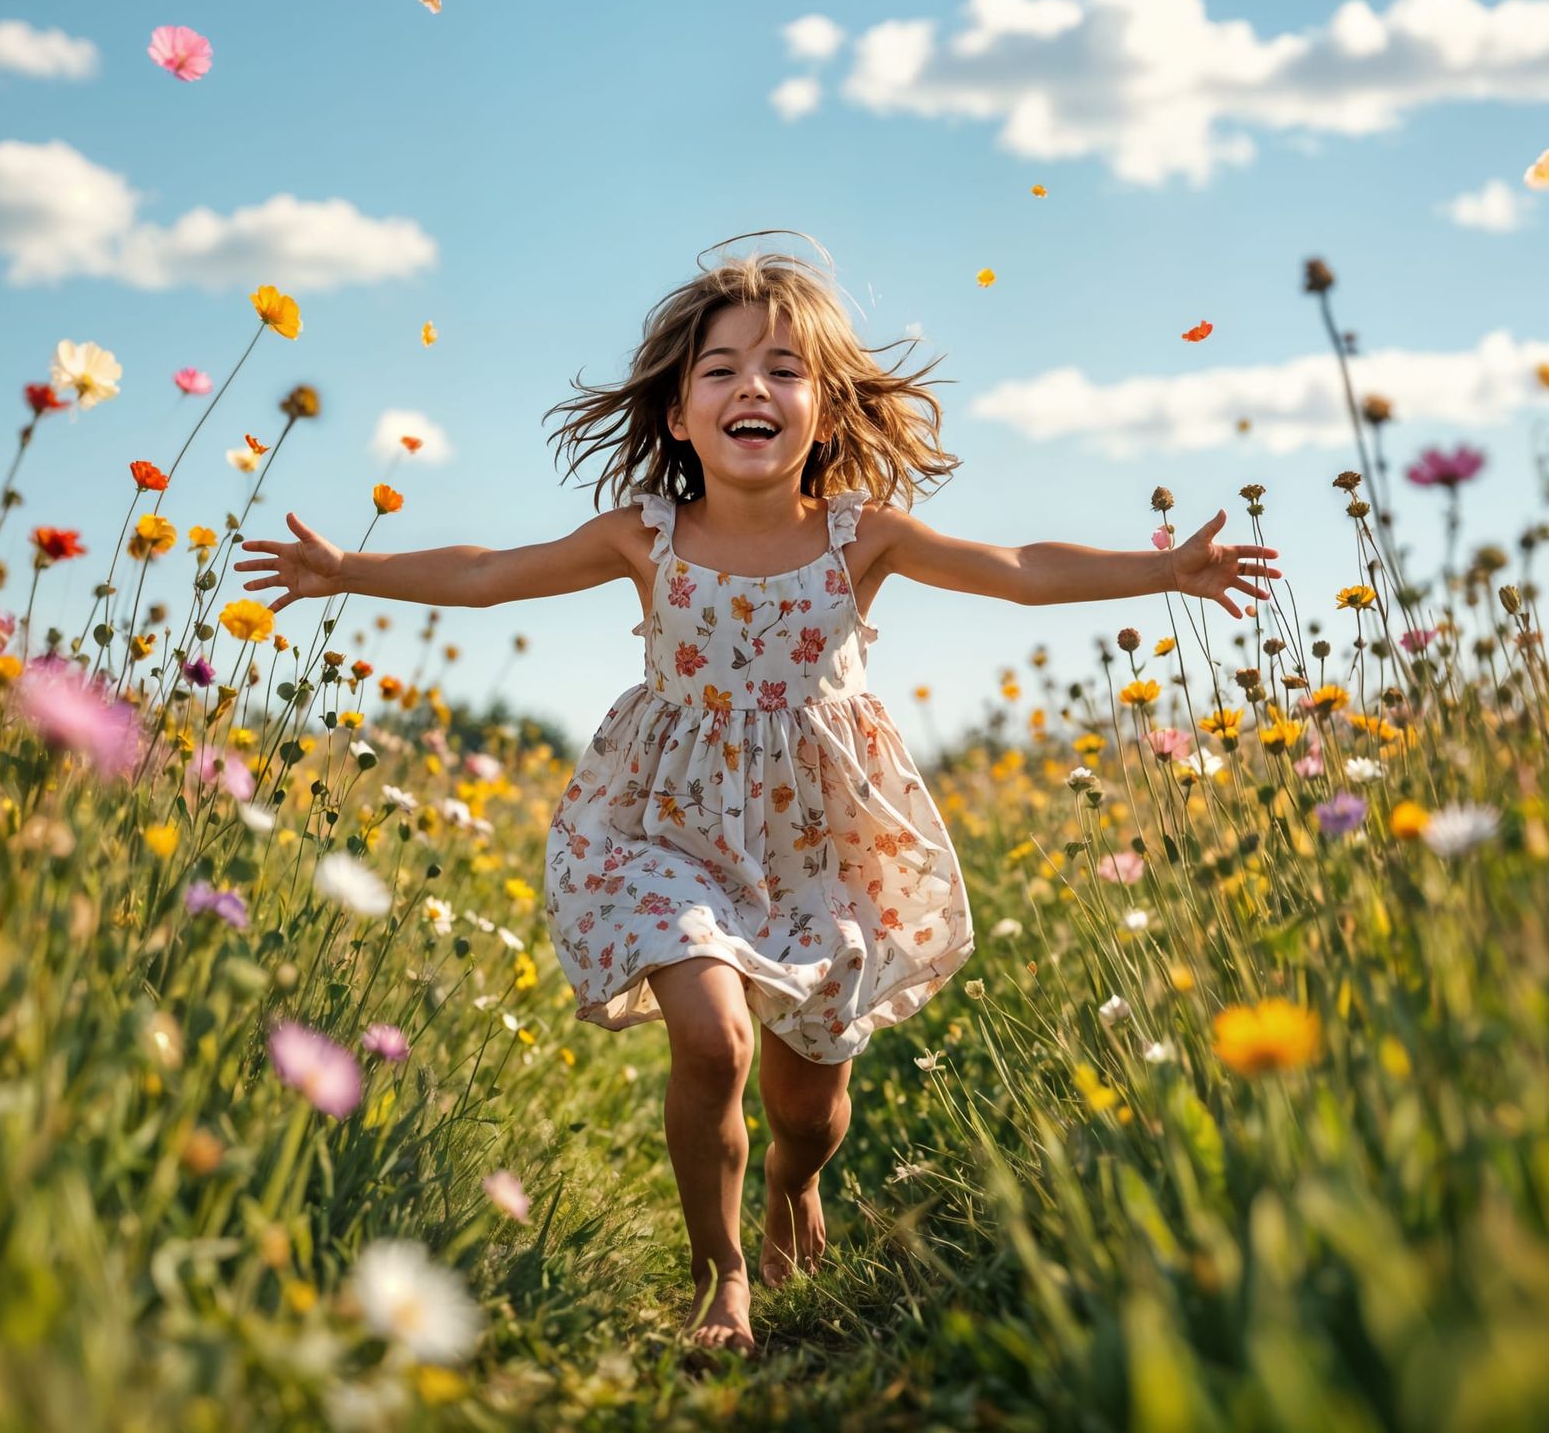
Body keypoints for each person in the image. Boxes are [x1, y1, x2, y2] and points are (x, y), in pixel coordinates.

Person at [236, 239, 1281, 1359]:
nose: (753, 387)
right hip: (665, 829)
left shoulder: (858, 535)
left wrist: (1162, 568)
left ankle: (793, 1188)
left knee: (804, 1106)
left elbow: (1017, 566)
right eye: (722, 368)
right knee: (713, 1038)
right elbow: (491, 573)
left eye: (784, 369)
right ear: (679, 415)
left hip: (822, 841)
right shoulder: (645, 538)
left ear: (823, 412)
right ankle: (718, 1273)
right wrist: (350, 569)